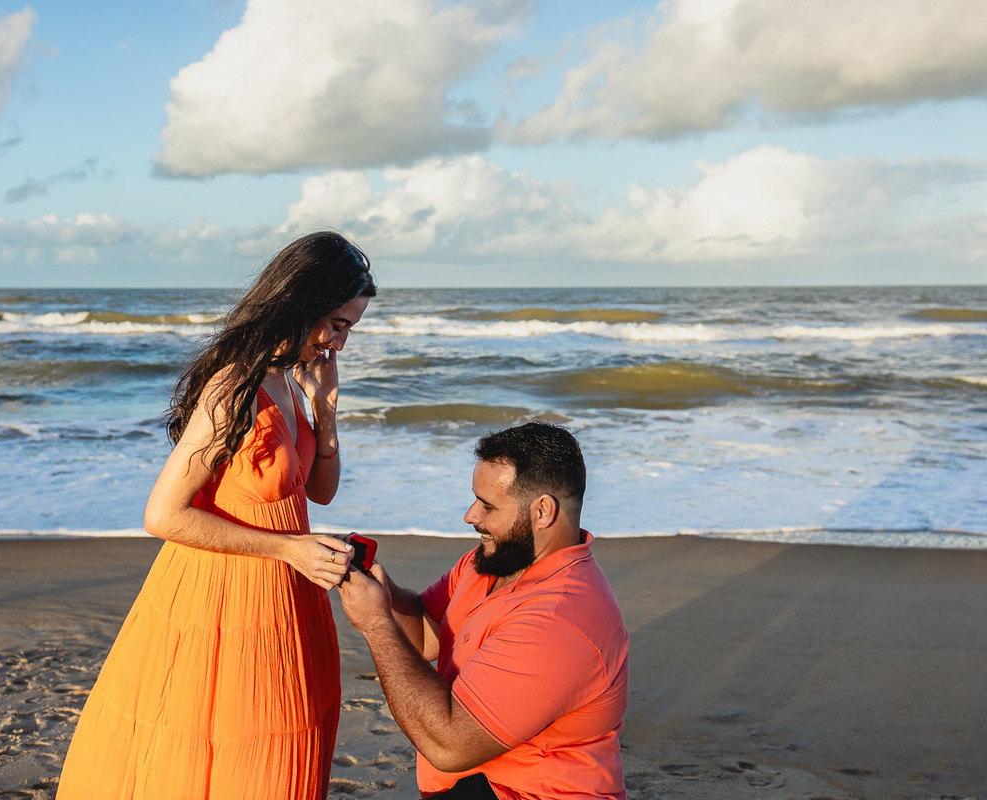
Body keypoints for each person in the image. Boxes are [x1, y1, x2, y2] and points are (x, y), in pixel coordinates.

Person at [57, 231, 376, 799]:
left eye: (349, 327)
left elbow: (319, 492)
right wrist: (287, 548)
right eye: (338, 323)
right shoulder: (235, 387)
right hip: (225, 599)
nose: (339, 343)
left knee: (287, 747)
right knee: (230, 754)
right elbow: (163, 514)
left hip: (287, 596)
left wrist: (325, 411)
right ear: (300, 303)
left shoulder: (289, 379)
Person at [338, 422, 629, 800]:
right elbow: (428, 635)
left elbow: (449, 747)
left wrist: (377, 624)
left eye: (488, 506)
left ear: (543, 511)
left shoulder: (558, 619)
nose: (470, 515)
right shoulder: (492, 562)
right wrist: (381, 590)